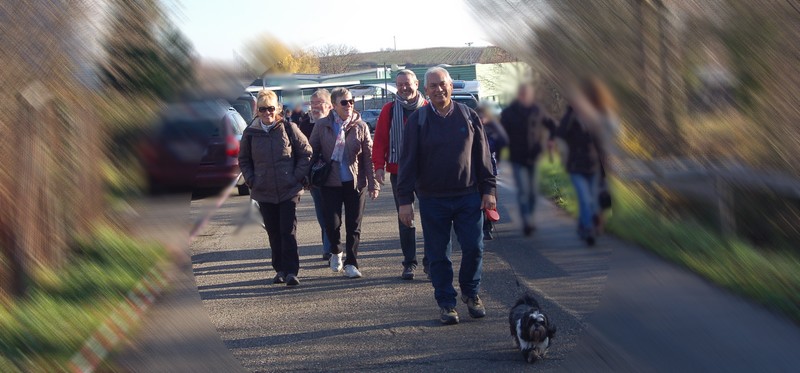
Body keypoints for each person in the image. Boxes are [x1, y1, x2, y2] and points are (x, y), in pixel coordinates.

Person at [397, 67, 496, 325]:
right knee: (438, 254)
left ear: (451, 86)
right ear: (425, 90)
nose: (438, 89)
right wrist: (405, 201)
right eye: (433, 86)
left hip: (468, 196)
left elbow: (483, 157)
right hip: (432, 199)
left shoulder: (468, 115)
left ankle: (471, 293)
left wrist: (489, 190)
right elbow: (407, 163)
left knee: (474, 247)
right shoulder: (417, 121)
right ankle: (446, 303)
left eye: (442, 84)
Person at [239, 90, 312, 286]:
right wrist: (252, 180)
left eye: (271, 108)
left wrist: (296, 177)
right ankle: (279, 269)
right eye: (262, 109)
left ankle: (291, 272)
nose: (267, 113)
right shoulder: (250, 133)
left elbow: (306, 153)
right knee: (273, 231)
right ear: (257, 111)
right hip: (264, 191)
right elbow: (244, 160)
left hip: (289, 189)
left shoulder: (289, 128)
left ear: (277, 109)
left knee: (288, 230)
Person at [309, 87, 379, 279]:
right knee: (332, 224)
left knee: (354, 225)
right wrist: (307, 178)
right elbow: (312, 153)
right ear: (334, 105)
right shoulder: (322, 125)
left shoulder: (361, 126)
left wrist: (373, 184)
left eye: (351, 102)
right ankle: (336, 251)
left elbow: (368, 158)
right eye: (344, 102)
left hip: (355, 184)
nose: (349, 105)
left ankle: (351, 263)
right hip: (329, 183)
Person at [372, 69, 428, 280]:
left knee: (431, 218)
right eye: (400, 84)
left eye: (408, 83)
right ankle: (409, 263)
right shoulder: (389, 109)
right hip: (400, 172)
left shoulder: (427, 108)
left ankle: (430, 262)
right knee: (405, 218)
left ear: (417, 83)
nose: (404, 88)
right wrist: (378, 166)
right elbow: (380, 141)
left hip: (427, 173)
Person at [554, 78, 614, 246]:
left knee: (591, 201)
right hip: (575, 166)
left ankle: (583, 225)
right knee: (585, 199)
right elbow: (560, 135)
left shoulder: (595, 118)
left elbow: (602, 143)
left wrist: (605, 166)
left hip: (593, 166)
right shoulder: (570, 117)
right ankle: (588, 230)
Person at [500, 83, 557, 237]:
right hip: (517, 157)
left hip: (534, 156)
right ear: (519, 96)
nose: (526, 97)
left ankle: (529, 216)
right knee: (523, 191)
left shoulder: (537, 110)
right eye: (524, 94)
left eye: (528, 94)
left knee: (532, 192)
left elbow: (553, 125)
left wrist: (551, 139)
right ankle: (527, 221)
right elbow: (500, 133)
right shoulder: (509, 113)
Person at [299, 89, 333, 261]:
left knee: (332, 213)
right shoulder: (304, 124)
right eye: (312, 104)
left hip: (335, 175)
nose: (315, 107)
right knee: (322, 214)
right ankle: (329, 247)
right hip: (315, 177)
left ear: (330, 105)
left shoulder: (336, 122)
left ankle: (332, 247)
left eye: (319, 103)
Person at [476, 104, 509, 240]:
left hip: (490, 170)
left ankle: (487, 226)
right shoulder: (470, 129)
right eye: (480, 116)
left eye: (484, 116)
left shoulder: (494, 129)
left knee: (491, 197)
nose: (482, 119)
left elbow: (503, 143)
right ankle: (481, 227)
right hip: (474, 171)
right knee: (477, 199)